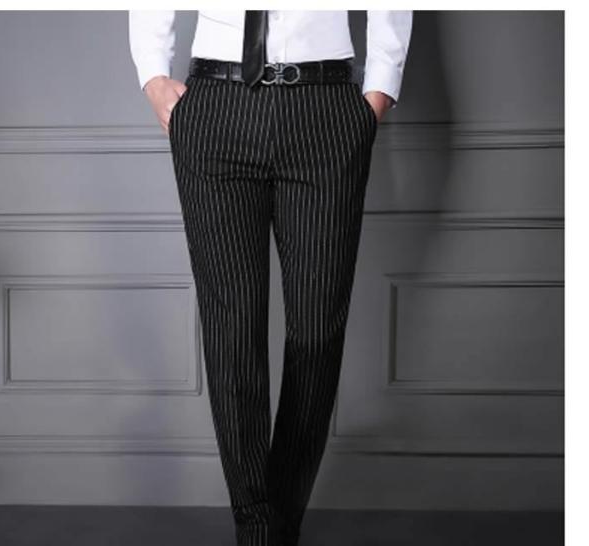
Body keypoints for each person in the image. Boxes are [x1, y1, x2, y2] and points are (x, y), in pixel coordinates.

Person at [128, 10, 412, 546]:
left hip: (325, 106)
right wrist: (153, 75)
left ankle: (281, 519)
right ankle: (257, 529)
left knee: (318, 331)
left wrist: (378, 91)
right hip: (218, 104)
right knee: (232, 331)